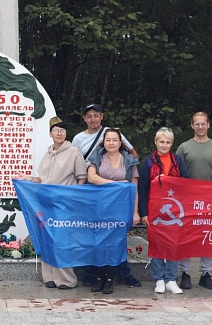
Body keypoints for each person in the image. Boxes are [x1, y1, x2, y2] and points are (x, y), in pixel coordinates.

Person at [13, 117, 88, 289]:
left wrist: (74, 198)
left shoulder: (73, 152)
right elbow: (43, 179)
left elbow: (81, 178)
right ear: (50, 133)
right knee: (47, 239)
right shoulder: (47, 154)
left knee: (63, 241)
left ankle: (67, 279)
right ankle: (50, 277)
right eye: (56, 130)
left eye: (62, 130)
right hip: (46, 205)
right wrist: (27, 178)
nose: (59, 133)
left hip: (64, 205)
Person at [72, 103, 138, 287]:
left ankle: (120, 272)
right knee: (94, 234)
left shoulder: (111, 133)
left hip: (118, 200)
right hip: (92, 192)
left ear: (102, 116)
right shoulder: (79, 139)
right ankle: (93, 273)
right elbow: (77, 162)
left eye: (96, 115)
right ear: (84, 118)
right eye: (89, 116)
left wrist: (128, 164)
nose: (93, 119)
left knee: (116, 236)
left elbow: (133, 154)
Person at [175, 111, 212, 290]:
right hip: (188, 199)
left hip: (210, 198)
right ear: (192, 125)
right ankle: (185, 273)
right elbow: (178, 173)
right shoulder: (183, 147)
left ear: (208, 125)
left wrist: (210, 189)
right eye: (197, 124)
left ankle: (206, 273)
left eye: (203, 123)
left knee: (207, 236)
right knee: (187, 236)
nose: (200, 127)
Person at [137, 127, 190, 295]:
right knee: (157, 244)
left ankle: (171, 279)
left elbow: (186, 182)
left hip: (175, 210)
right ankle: (159, 279)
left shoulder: (177, 161)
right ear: (156, 142)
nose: (164, 145)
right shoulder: (148, 162)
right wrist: (143, 212)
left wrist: (170, 181)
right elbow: (142, 188)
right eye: (161, 141)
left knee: (173, 245)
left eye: (167, 142)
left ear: (172, 144)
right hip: (154, 210)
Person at [87, 128, 140, 294]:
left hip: (120, 208)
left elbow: (134, 188)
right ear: (104, 141)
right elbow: (91, 178)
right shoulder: (97, 156)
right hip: (99, 207)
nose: (111, 143)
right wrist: (114, 184)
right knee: (97, 243)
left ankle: (110, 278)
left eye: (114, 140)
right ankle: (98, 276)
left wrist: (135, 212)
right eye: (108, 140)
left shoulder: (128, 160)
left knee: (115, 244)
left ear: (120, 142)